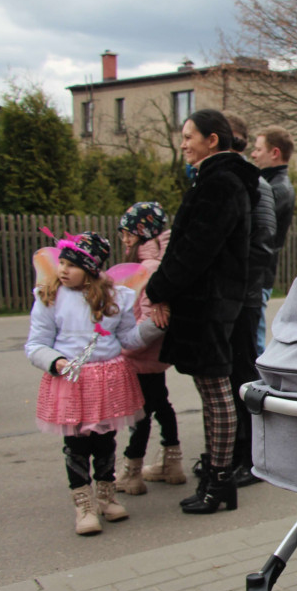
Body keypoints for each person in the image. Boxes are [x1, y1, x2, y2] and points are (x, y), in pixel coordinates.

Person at [146, 108, 258, 514]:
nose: (183, 143)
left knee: (217, 393)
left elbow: (195, 248)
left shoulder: (221, 183)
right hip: (209, 302)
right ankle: (216, 477)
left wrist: (158, 287)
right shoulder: (219, 180)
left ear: (213, 140)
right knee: (214, 392)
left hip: (210, 304)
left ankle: (220, 481)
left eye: (189, 135)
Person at [25, 231, 160, 535]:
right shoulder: (50, 297)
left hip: (107, 382)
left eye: (71, 265)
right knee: (75, 445)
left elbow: (127, 338)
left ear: (90, 268)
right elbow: (35, 345)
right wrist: (55, 361)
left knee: (105, 442)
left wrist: (154, 328)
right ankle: (83, 506)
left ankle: (106, 496)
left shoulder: (116, 297)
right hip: (70, 381)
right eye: (61, 262)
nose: (62, 270)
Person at [115, 203, 183, 494]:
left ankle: (132, 471)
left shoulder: (149, 268)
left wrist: (125, 346)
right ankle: (172, 462)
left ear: (141, 232)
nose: (124, 240)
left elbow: (153, 320)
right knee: (161, 405)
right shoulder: (153, 265)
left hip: (141, 355)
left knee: (139, 414)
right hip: (151, 358)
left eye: (127, 233)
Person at [226, 112, 277, 488]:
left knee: (244, 374)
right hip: (230, 294)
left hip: (242, 294)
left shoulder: (253, 183)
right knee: (229, 377)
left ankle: (250, 454)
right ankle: (231, 451)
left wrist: (244, 289)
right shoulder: (226, 180)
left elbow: (263, 241)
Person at [251, 125, 296, 354]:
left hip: (260, 274)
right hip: (261, 274)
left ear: (274, 153)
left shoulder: (277, 189)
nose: (253, 154)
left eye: (258, 149)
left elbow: (259, 231)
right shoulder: (269, 184)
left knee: (253, 343)